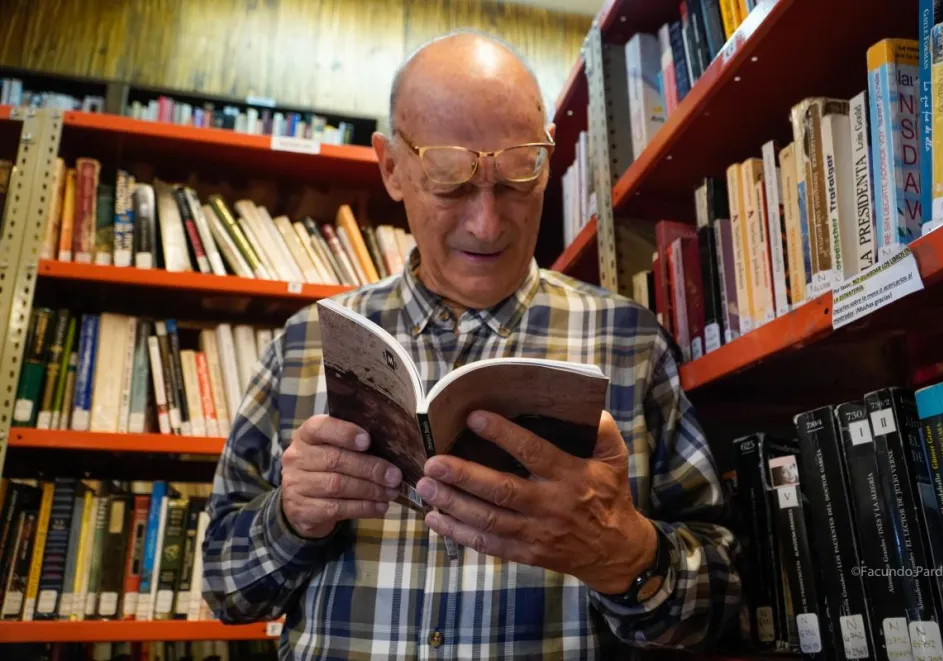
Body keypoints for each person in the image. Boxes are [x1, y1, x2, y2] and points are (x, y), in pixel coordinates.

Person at [202, 30, 741, 660]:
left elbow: (724, 597)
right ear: (392, 168)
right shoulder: (303, 345)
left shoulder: (631, 345)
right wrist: (292, 519)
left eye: (519, 175)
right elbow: (225, 590)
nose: (487, 224)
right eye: (450, 181)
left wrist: (626, 555)